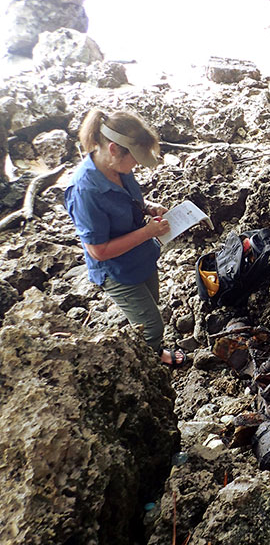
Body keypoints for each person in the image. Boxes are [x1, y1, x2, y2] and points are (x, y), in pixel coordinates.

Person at [64, 108, 185, 367]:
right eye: (136, 158)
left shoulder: (119, 168)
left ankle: (152, 352)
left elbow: (130, 200)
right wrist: (147, 232)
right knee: (151, 327)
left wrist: (148, 207)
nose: (138, 165)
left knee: (152, 306)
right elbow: (98, 250)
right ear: (113, 149)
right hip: (116, 269)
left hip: (141, 255)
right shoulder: (85, 191)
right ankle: (148, 368)